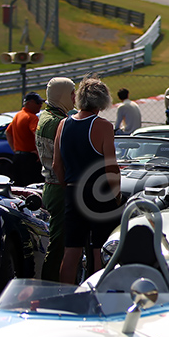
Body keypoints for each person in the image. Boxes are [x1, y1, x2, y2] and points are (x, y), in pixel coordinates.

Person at [53, 75, 121, 284]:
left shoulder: (63, 125)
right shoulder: (102, 126)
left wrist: (68, 186)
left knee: (71, 251)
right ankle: (99, 293)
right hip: (98, 192)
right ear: (102, 101)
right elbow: (111, 167)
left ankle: (66, 295)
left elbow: (57, 165)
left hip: (73, 191)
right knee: (100, 249)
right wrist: (116, 194)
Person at [35, 77, 76, 282]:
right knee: (59, 242)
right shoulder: (58, 122)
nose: (75, 98)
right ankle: (50, 284)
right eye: (71, 93)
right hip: (59, 186)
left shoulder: (46, 116)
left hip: (50, 184)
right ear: (62, 95)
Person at [5, 92, 45, 187]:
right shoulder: (32, 117)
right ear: (29, 103)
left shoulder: (18, 115)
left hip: (18, 157)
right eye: (38, 103)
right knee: (33, 186)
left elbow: (8, 132)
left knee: (19, 187)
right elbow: (37, 134)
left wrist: (14, 149)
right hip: (30, 159)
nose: (40, 105)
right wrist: (41, 152)